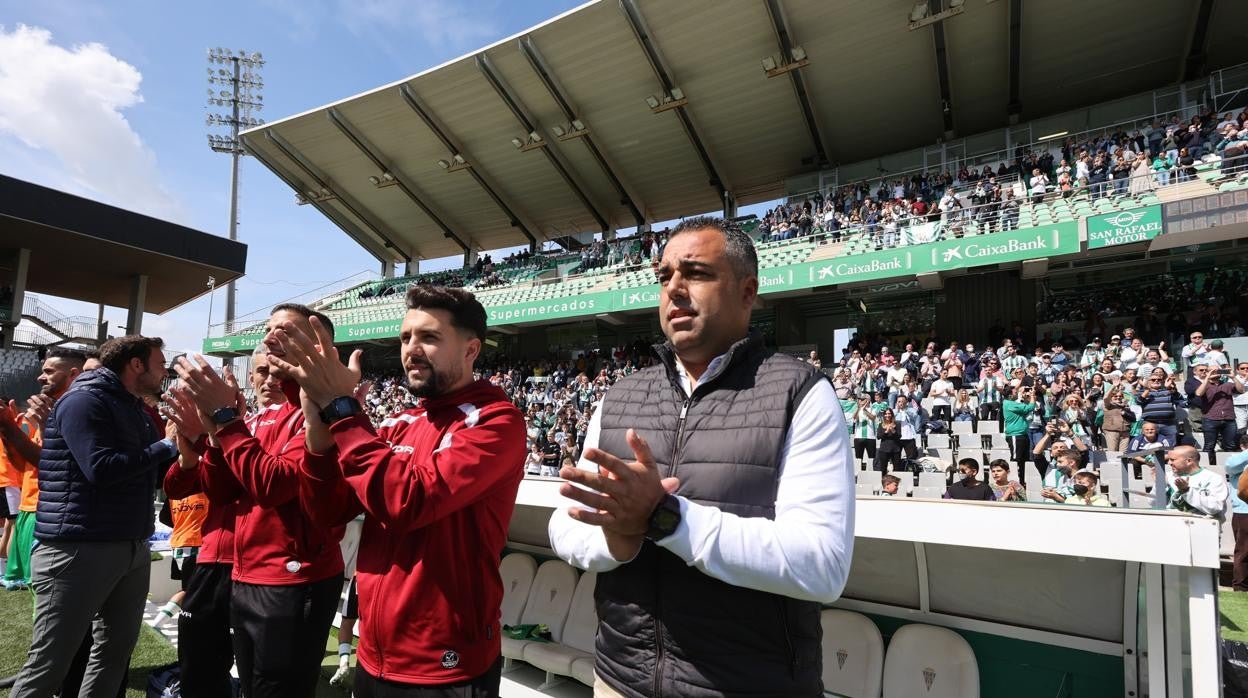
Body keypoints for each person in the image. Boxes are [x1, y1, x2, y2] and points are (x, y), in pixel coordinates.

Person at [547, 217, 855, 697]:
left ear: (747, 291)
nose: (674, 289)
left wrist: (667, 519)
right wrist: (617, 538)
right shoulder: (619, 397)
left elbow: (822, 565)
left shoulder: (802, 394)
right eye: (664, 276)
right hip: (619, 682)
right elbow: (564, 526)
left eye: (695, 273)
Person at [271, 285, 527, 696]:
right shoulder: (398, 422)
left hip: (445, 664)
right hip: (374, 653)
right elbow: (328, 511)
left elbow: (407, 502)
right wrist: (317, 432)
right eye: (406, 337)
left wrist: (341, 408)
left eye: (429, 337)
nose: (411, 349)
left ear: (470, 350)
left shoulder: (497, 421)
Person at [169, 304, 347, 698]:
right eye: (269, 330)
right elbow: (221, 491)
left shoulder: (327, 409)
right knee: (248, 686)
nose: (270, 339)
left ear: (319, 345)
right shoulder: (265, 416)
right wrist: (215, 435)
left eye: (285, 331)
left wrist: (225, 420)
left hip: (295, 577)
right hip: (247, 573)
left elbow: (274, 485)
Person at [10, 337, 176, 698]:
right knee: (49, 665)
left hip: (130, 544)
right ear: (136, 365)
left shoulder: (133, 407)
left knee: (113, 656)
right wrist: (167, 445)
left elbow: (153, 473)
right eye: (160, 363)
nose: (166, 371)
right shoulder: (84, 400)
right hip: (79, 547)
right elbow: (100, 468)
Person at [1164, 445, 1228, 521]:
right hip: (1170, 524)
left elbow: (1215, 508)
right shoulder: (1168, 476)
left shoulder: (1213, 478)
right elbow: (1154, 503)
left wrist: (1186, 491)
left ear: (1189, 461)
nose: (1169, 463)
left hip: (1200, 527)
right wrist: (1159, 484)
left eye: (1172, 460)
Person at [1195, 364, 1245, 456]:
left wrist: (1233, 377)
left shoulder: (1227, 384)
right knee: (1209, 446)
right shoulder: (1204, 385)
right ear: (1207, 372)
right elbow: (1198, 393)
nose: (1215, 373)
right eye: (1212, 371)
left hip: (1229, 419)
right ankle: (1209, 466)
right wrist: (1207, 378)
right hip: (1210, 419)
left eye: (1217, 371)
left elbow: (1241, 390)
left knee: (1231, 445)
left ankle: (1229, 467)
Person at [1224, 435, 1248, 590]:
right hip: (1244, 511)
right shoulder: (1236, 460)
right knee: (1244, 551)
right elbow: (1230, 466)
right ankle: (1241, 587)